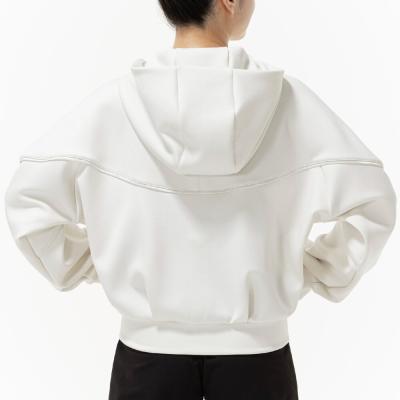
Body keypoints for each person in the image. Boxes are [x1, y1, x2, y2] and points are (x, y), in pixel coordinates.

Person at [3, 0, 397, 399]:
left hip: (146, 359)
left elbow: (28, 201)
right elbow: (373, 201)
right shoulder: (290, 103)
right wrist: (308, 268)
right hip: (259, 360)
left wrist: (107, 260)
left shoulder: (114, 106)